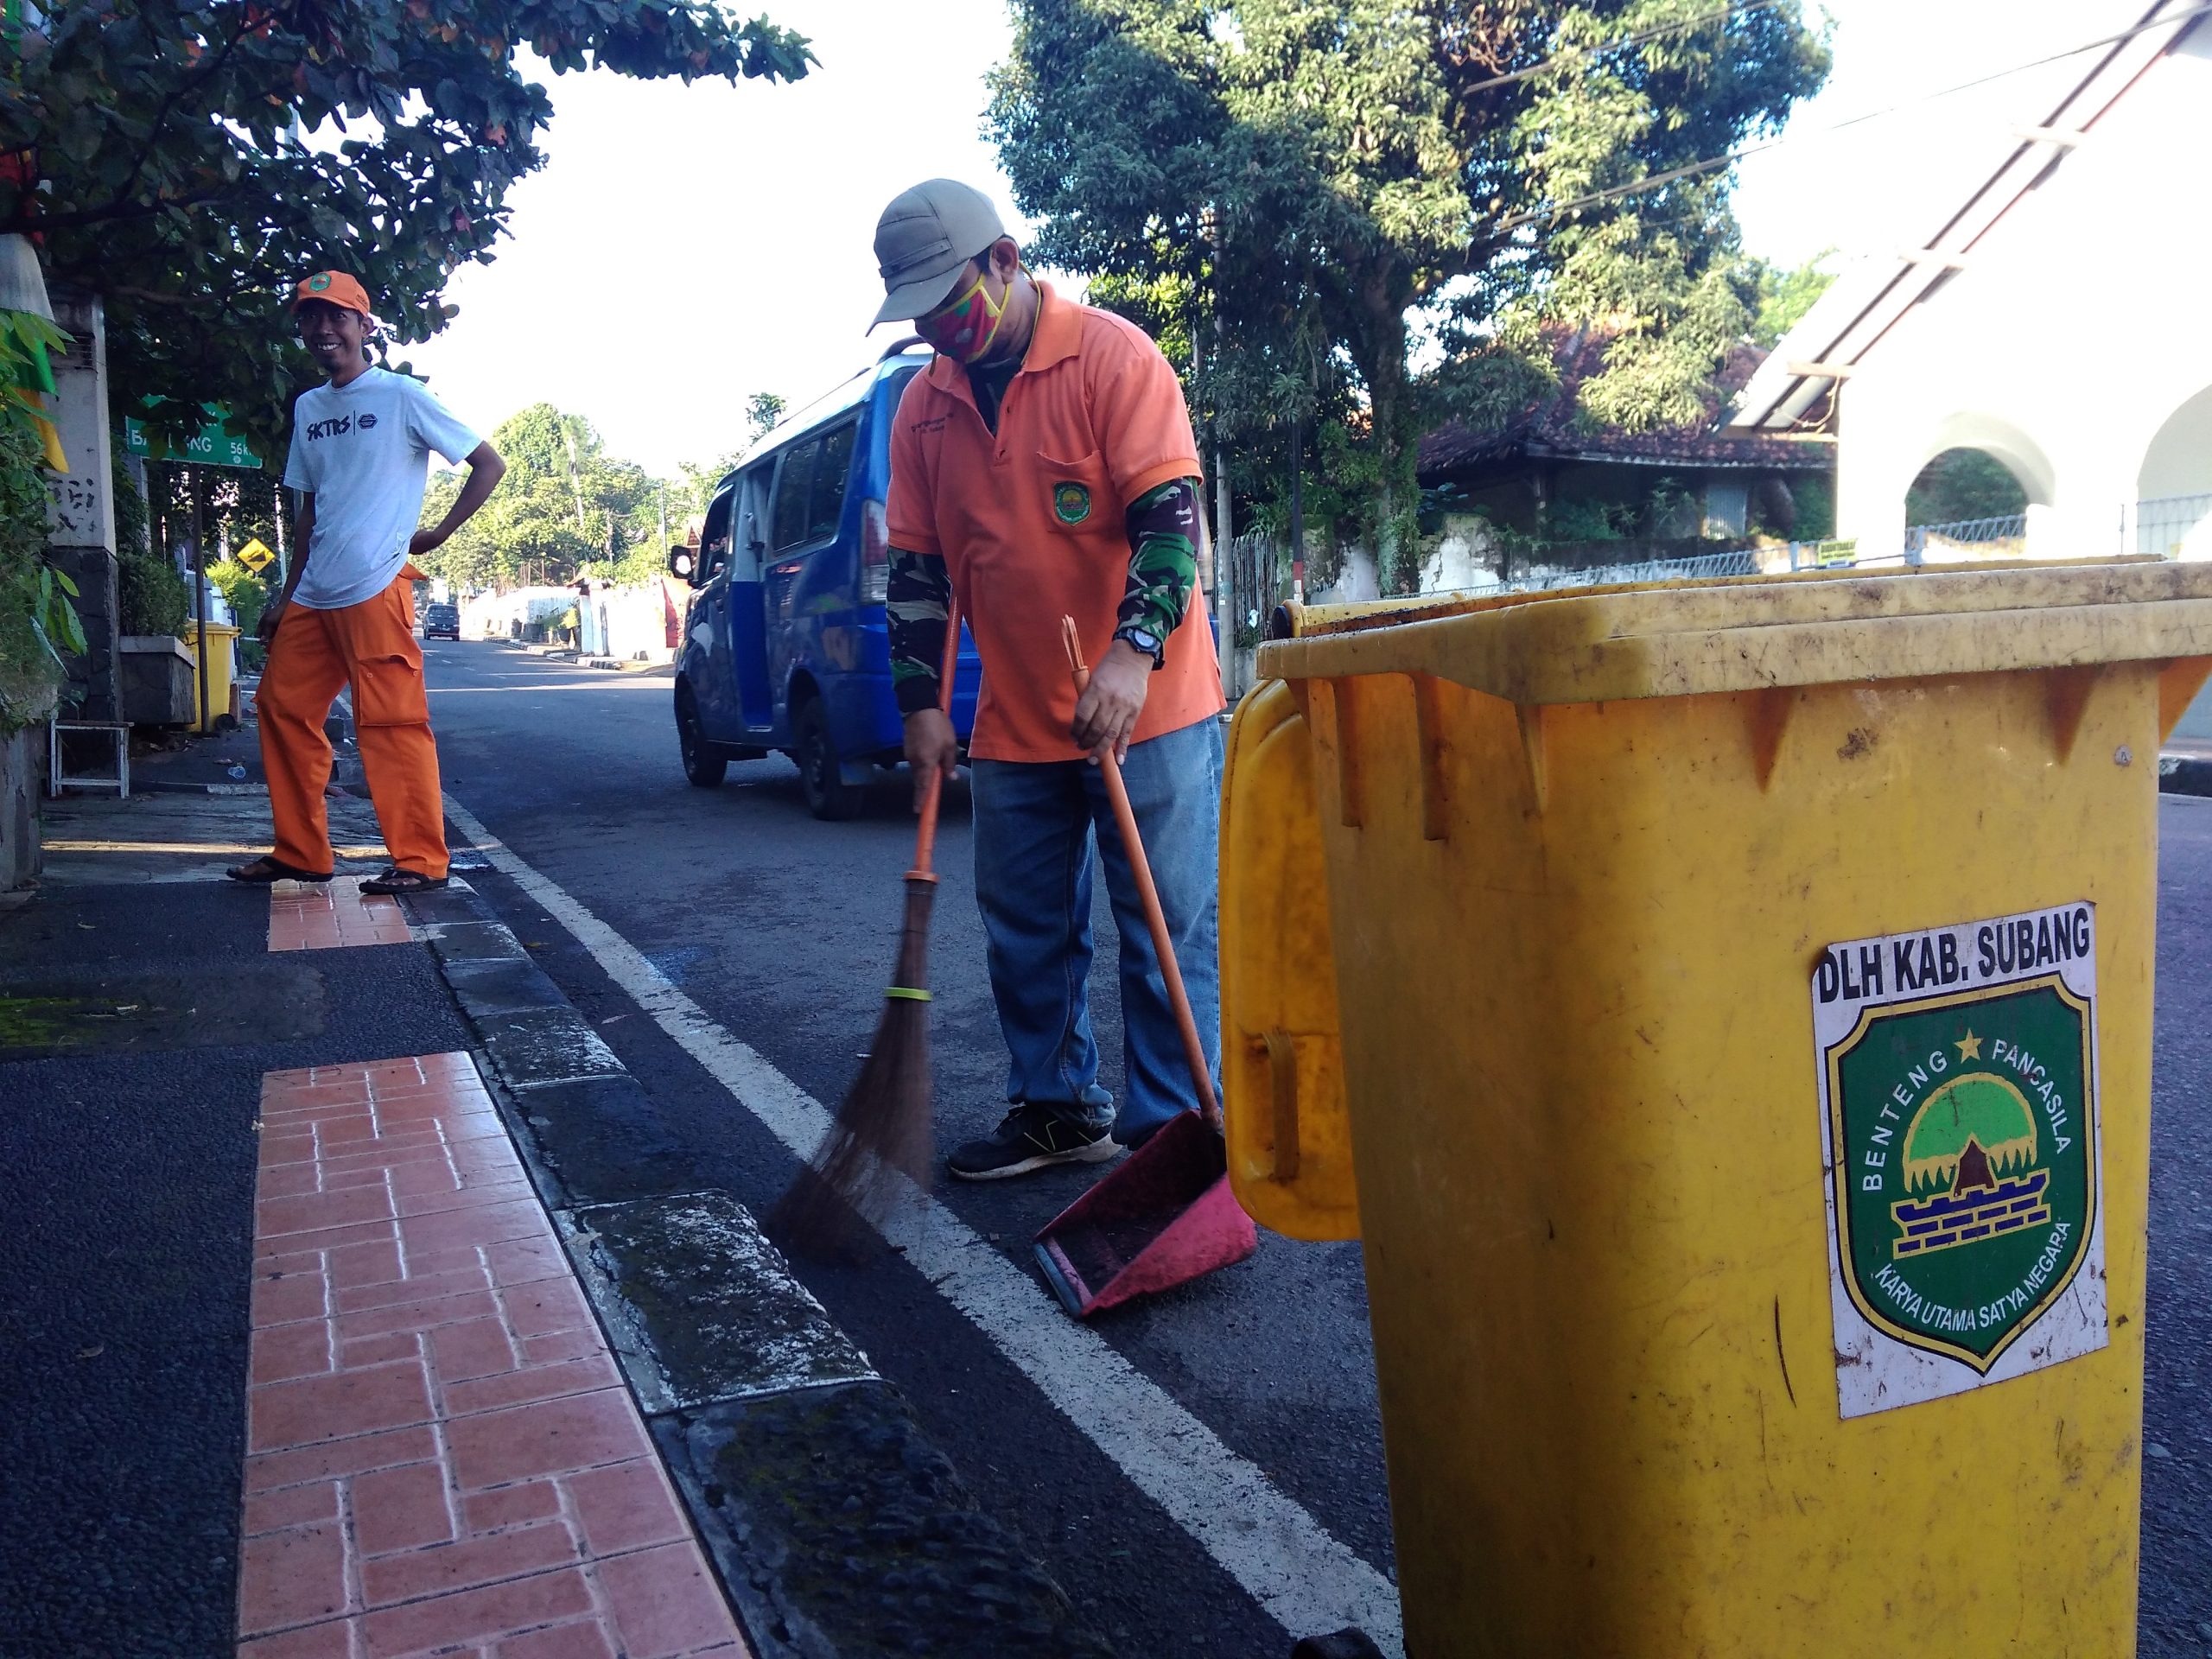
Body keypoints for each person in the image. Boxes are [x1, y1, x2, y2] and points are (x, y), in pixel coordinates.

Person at [874, 179, 1225, 1180]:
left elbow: (1170, 525)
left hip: (1147, 709)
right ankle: (1059, 1110)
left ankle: (1168, 1138)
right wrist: (922, 704)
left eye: (950, 301)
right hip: (1017, 717)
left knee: (1164, 930)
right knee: (1026, 932)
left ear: (1005, 259)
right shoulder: (923, 409)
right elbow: (917, 573)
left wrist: (1131, 653)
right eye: (920, 315)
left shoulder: (1111, 357)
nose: (938, 329)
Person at [226, 270, 505, 895]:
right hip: (314, 593)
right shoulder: (309, 406)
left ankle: (420, 860)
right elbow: (311, 509)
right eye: (310, 318)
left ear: (364, 326)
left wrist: (437, 533)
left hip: (377, 587)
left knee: (391, 725)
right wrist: (284, 594)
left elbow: (488, 464)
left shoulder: (401, 396)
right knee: (280, 709)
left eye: (338, 317)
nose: (324, 329)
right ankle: (301, 851)